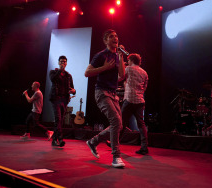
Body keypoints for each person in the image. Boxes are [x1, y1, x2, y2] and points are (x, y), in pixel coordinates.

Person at [84, 29, 125, 168]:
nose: (115, 38)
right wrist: (105, 67)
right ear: (105, 41)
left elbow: (122, 75)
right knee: (115, 120)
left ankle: (94, 141)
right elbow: (87, 73)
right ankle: (116, 156)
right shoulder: (100, 55)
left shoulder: (118, 55)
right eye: (111, 36)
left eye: (116, 35)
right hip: (101, 92)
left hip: (113, 94)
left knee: (118, 125)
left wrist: (121, 58)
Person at [121, 53, 149, 155]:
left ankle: (114, 143)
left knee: (121, 123)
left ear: (131, 60)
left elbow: (120, 78)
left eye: (128, 61)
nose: (127, 62)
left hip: (129, 100)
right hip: (140, 101)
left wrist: (122, 66)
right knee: (141, 125)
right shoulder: (144, 73)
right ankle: (144, 147)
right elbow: (144, 88)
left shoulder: (128, 69)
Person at [49, 55, 76, 147]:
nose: (63, 63)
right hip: (56, 98)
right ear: (58, 63)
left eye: (64, 62)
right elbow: (53, 79)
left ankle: (54, 140)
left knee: (60, 121)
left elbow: (72, 88)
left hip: (64, 100)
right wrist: (60, 70)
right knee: (58, 119)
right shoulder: (53, 72)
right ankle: (60, 139)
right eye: (61, 61)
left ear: (66, 63)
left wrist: (74, 91)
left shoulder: (68, 76)